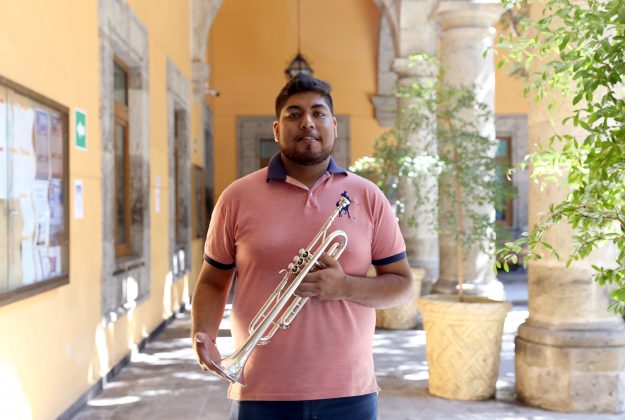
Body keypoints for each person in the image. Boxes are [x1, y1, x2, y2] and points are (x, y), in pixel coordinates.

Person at [192, 73, 413, 420]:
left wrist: (345, 287)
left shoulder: (368, 196)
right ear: (278, 129)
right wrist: (202, 333)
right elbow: (212, 280)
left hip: (349, 391)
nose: (307, 122)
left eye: (317, 113)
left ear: (334, 125)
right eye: (294, 114)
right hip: (259, 388)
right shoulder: (237, 197)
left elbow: (402, 284)